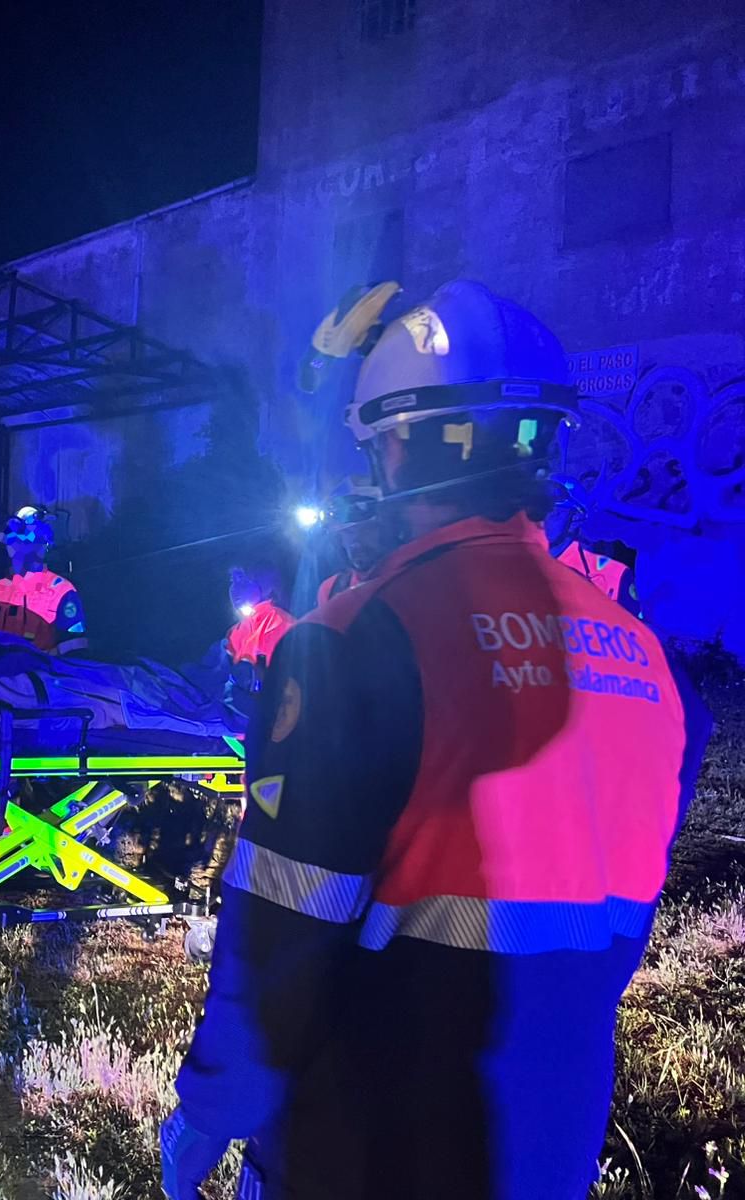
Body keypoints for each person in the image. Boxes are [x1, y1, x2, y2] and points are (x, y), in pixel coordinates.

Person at [161, 280, 711, 1200]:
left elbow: (282, 933)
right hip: (550, 1136)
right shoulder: (652, 667)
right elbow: (617, 929)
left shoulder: (351, 642)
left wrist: (212, 1111)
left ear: (398, 446)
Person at [0, 504, 87, 654]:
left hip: (42, 672)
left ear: (44, 545)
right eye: (13, 541)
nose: (17, 547)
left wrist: (50, 656)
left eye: (26, 541)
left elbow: (76, 642)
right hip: (0, 672)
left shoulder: (62, 590)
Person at [315, 479, 385, 606]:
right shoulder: (330, 590)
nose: (356, 540)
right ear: (339, 539)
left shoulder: (407, 580)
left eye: (366, 529)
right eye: (348, 532)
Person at [224, 565, 295, 667]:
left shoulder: (279, 622)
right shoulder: (237, 633)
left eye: (242, 579)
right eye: (232, 580)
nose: (235, 588)